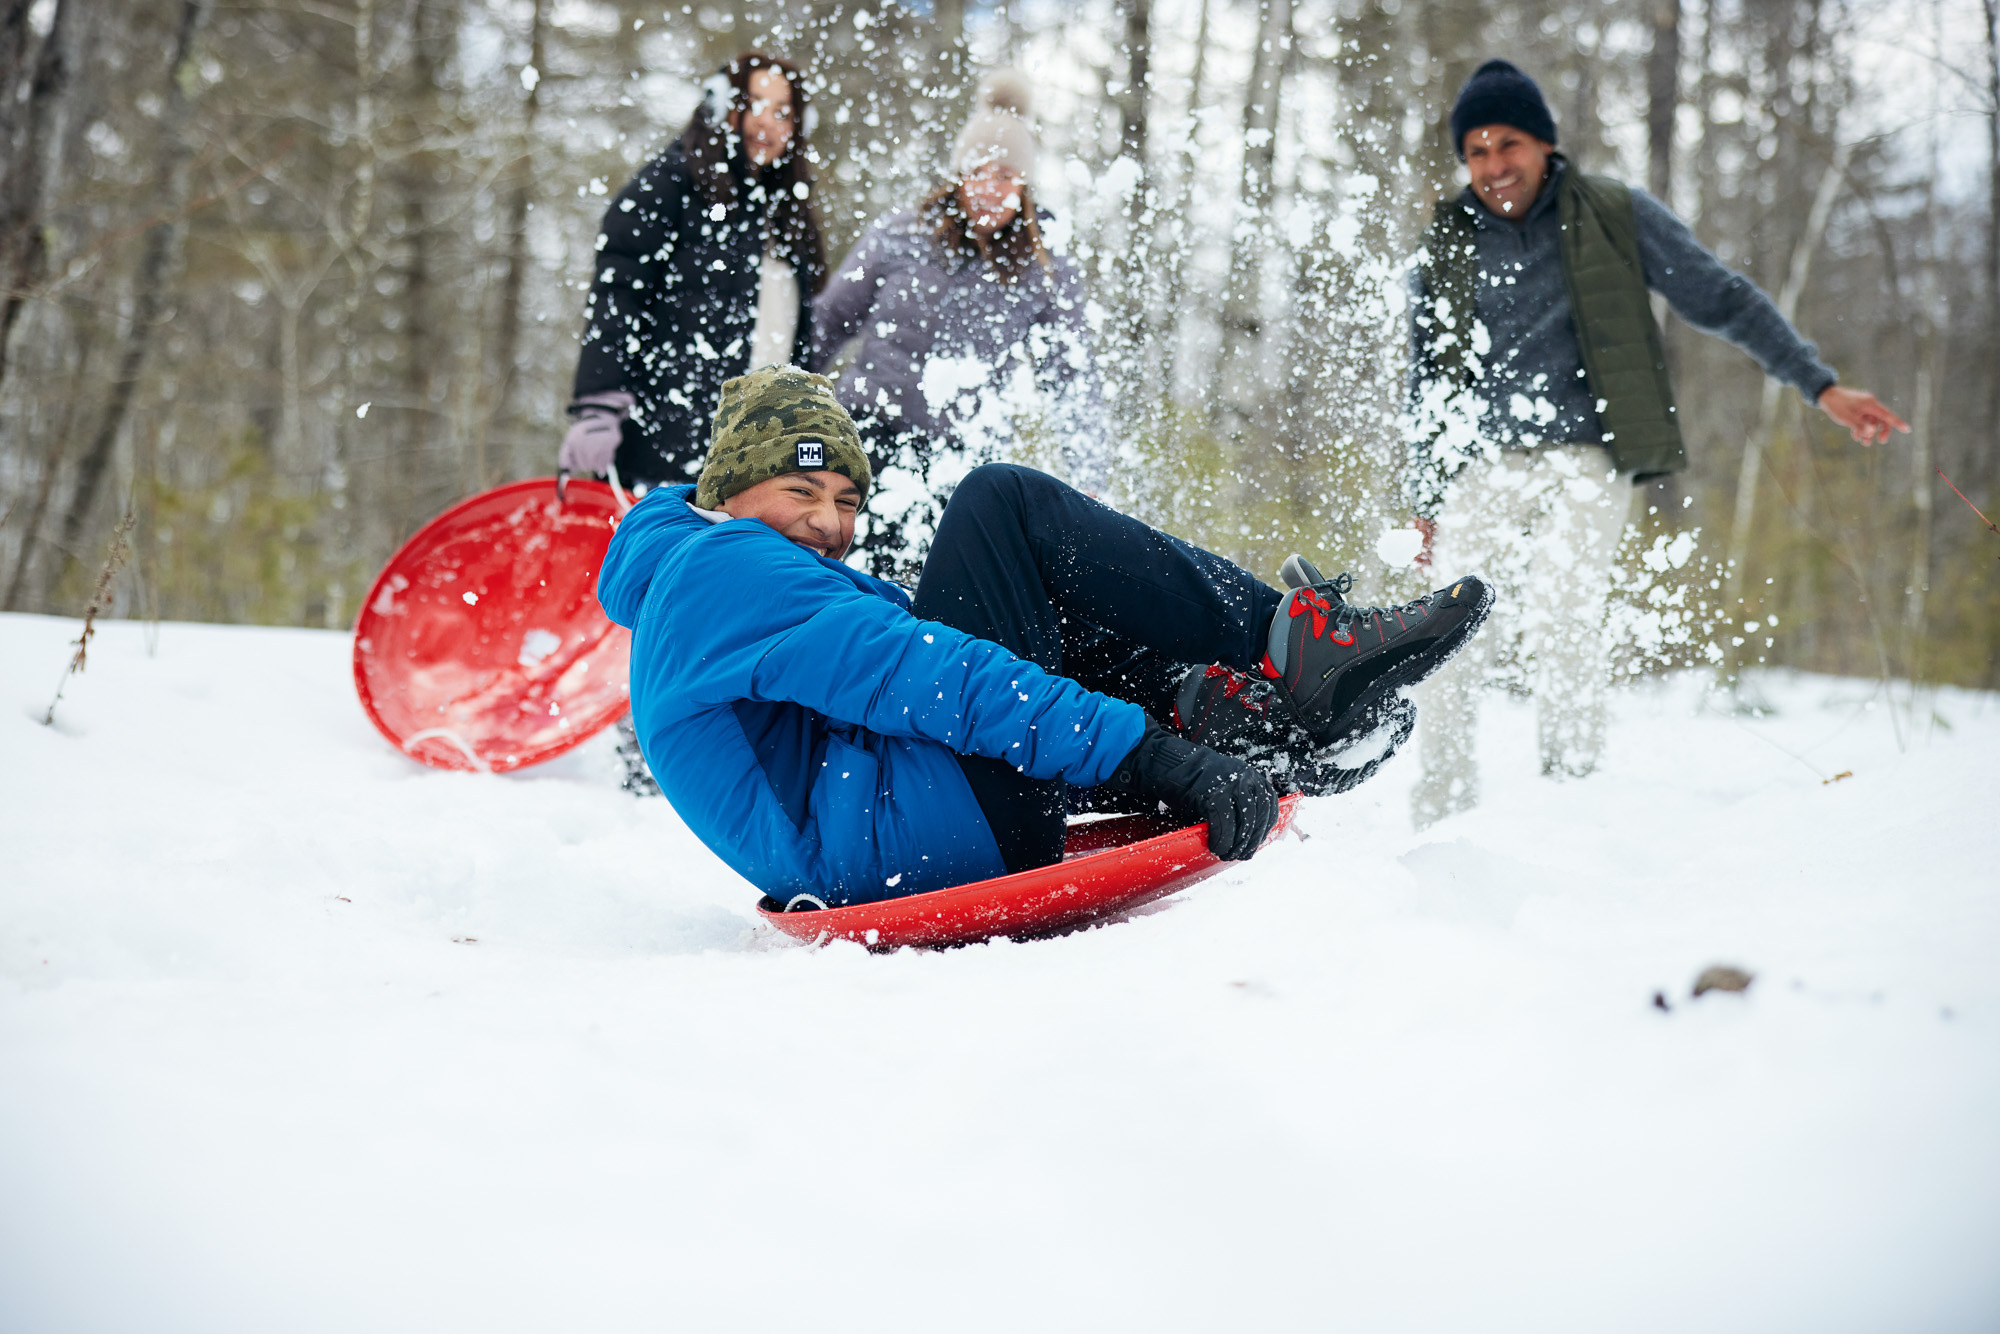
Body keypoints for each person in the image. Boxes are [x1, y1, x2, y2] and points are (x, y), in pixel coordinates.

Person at [597, 366, 1494, 910]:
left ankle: (1247, 714)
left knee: (1035, 608)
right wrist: (1148, 757)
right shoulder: (719, 571)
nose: (831, 524)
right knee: (1002, 508)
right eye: (803, 492)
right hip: (917, 834)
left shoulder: (695, 578)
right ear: (730, 492)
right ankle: (1290, 647)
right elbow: (932, 675)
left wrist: (1167, 739)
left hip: (903, 830)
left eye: (846, 500)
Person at [1404, 58, 1907, 829]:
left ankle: (1570, 804)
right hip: (1485, 462)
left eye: (1508, 144)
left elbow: (1721, 296)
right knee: (1447, 625)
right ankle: (1438, 818)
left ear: (1544, 145)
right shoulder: (1447, 241)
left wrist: (1819, 384)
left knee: (1565, 612)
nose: (1494, 166)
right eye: (1475, 151)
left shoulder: (1611, 211)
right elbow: (1426, 381)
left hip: (1586, 454)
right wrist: (1428, 499)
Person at [810, 71, 1110, 580]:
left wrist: (1088, 475)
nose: (989, 190)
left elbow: (1071, 375)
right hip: (864, 436)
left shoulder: (1044, 270)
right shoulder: (900, 235)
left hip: (959, 459)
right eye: (978, 173)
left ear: (1024, 186)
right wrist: (770, 398)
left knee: (921, 591)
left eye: (1004, 177)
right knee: (842, 573)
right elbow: (827, 323)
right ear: (957, 176)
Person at [559, 51, 826, 491]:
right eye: (755, 103)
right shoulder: (670, 185)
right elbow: (618, 295)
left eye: (783, 112)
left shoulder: (787, 210)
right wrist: (598, 409)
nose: (768, 122)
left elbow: (795, 338)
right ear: (722, 106)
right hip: (667, 443)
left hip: (759, 453)